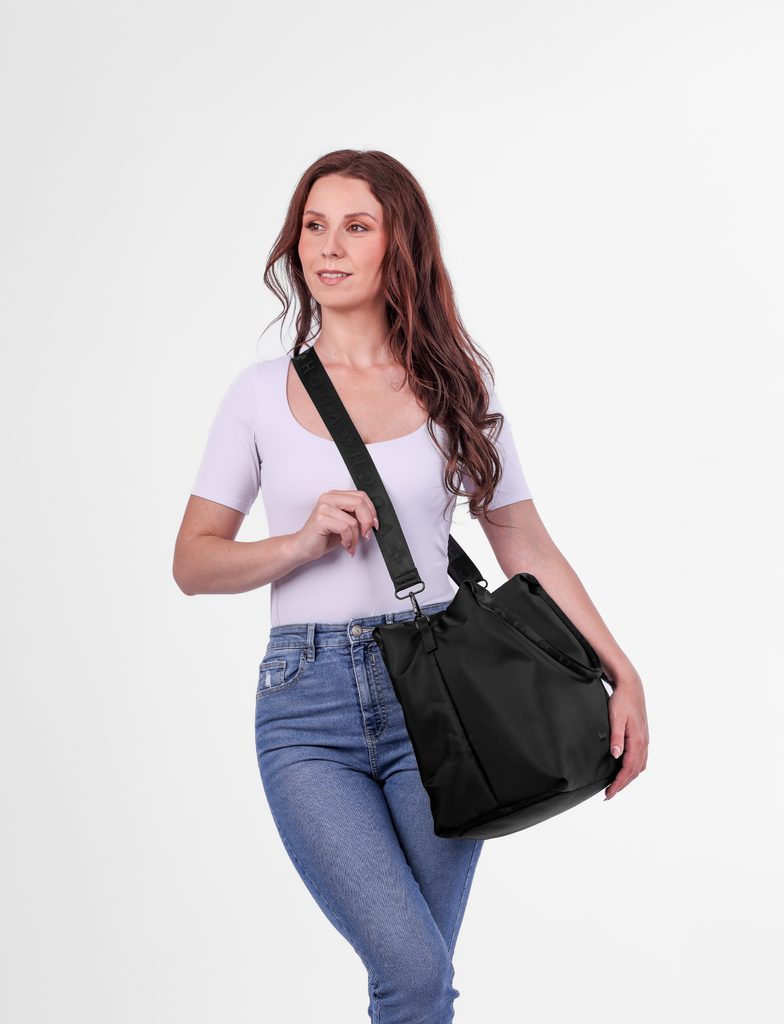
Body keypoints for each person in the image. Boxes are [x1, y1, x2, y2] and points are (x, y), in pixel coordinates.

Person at [173, 149, 649, 1024]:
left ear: (401, 245)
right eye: (314, 226)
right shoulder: (259, 395)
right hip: (306, 708)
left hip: (442, 701)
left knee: (416, 981)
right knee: (415, 972)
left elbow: (525, 545)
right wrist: (298, 543)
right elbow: (193, 563)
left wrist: (623, 672)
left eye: (356, 226)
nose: (329, 246)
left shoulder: (455, 386)